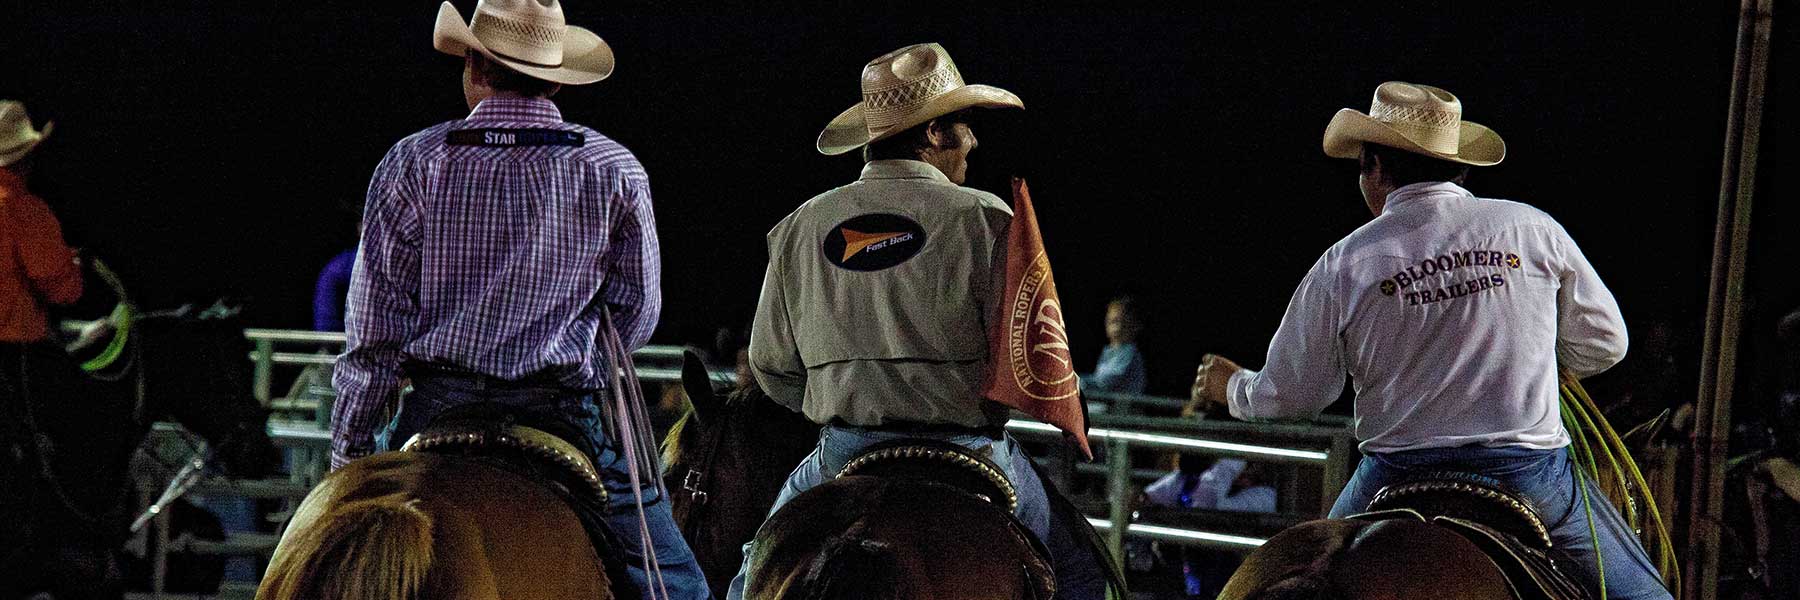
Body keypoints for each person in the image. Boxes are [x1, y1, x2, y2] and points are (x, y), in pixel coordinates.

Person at [1186, 81, 1670, 599]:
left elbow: (1295, 394)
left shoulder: (1344, 262)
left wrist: (1233, 387)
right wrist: (1529, 354)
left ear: (1372, 167)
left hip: (1392, 473)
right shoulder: (1529, 228)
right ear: (1459, 164)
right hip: (1526, 472)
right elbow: (1605, 343)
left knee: (1314, 569)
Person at [329, 2, 706, 597]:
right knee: (678, 583)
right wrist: (568, 337)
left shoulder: (414, 161)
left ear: (475, 65)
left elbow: (373, 334)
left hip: (437, 404)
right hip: (561, 408)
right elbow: (636, 311)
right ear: (557, 77)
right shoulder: (611, 167)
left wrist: (347, 462)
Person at [737, 43, 1104, 599]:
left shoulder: (797, 227)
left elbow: (772, 367)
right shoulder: (988, 219)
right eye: (964, 125)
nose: (973, 142)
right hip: (971, 450)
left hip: (845, 449)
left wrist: (849, 393)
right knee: (1081, 572)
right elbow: (1030, 358)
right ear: (934, 134)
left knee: (753, 572)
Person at [0, 99, 81, 349]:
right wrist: (74, 264)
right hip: (14, 346)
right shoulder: (23, 209)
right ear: (28, 157)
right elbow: (60, 288)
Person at [1140, 457, 1275, 598]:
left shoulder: (1266, 496)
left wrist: (1233, 461)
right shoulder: (1190, 479)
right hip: (1186, 570)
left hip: (1234, 571)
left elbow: (1208, 503)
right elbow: (1147, 498)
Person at [1082, 295, 1148, 414]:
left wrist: (1077, 382)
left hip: (1121, 413)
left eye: (1121, 321)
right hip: (1107, 407)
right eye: (1112, 321)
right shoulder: (1108, 352)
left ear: (1134, 326)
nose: (1117, 327)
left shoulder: (1129, 352)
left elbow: (1105, 383)